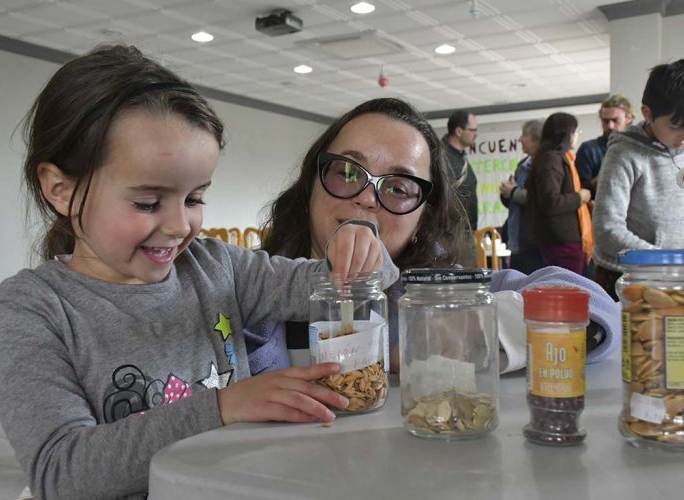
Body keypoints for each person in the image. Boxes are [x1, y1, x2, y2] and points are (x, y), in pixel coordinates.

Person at [0, 45, 398, 500]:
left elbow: (345, 281)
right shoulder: (32, 310)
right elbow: (61, 473)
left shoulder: (217, 267)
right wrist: (223, 407)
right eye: (147, 203)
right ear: (60, 190)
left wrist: (360, 243)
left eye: (195, 198)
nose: (181, 226)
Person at [247, 97, 620, 377]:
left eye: (398, 186)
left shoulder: (436, 290)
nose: (365, 197)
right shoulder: (243, 286)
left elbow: (598, 312)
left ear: (424, 215)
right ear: (312, 180)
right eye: (346, 171)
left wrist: (452, 333)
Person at [593, 59, 684, 299]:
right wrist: (665, 261)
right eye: (676, 126)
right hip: (624, 275)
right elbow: (607, 228)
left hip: (677, 274)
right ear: (648, 114)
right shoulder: (624, 153)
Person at [527, 112, 593, 275]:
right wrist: (580, 197)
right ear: (567, 135)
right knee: (569, 288)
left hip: (564, 238)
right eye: (575, 132)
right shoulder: (551, 159)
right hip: (562, 240)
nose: (576, 136)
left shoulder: (561, 158)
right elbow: (550, 201)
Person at [499, 119, 544, 274]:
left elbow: (541, 201)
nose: (520, 139)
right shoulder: (522, 165)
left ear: (537, 138)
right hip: (517, 239)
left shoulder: (546, 165)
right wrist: (506, 193)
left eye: (524, 135)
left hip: (535, 243)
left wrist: (513, 192)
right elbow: (515, 202)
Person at [575, 94, 635, 196]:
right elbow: (580, 188)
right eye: (605, 121)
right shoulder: (588, 149)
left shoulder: (638, 149)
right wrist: (605, 178)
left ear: (628, 118)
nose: (610, 126)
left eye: (615, 120)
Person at [442, 109, 478, 232]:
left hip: (465, 232)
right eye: (473, 130)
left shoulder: (460, 157)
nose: (476, 134)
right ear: (459, 131)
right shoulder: (443, 158)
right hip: (453, 233)